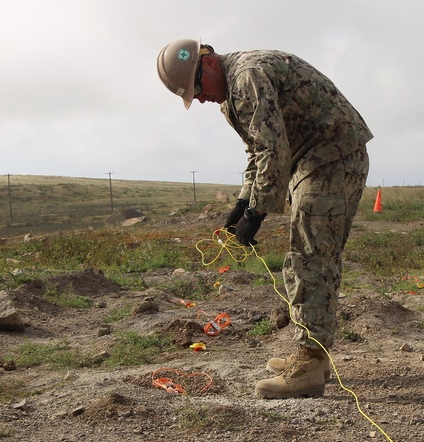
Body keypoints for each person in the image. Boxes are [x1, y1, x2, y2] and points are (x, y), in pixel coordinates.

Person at [157, 38, 373, 399]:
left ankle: (308, 363)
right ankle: (314, 357)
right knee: (309, 251)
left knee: (311, 254)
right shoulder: (231, 97)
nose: (202, 99)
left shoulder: (248, 78)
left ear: (207, 63)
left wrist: (258, 212)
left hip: (332, 156)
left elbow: (274, 149)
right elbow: (257, 152)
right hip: (312, 160)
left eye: (198, 89)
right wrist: (243, 203)